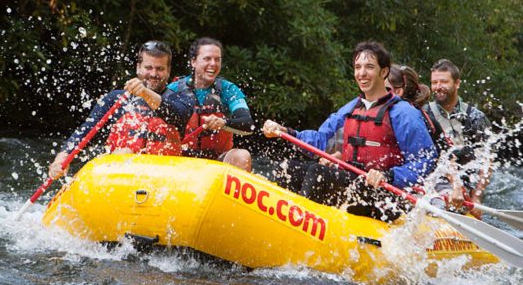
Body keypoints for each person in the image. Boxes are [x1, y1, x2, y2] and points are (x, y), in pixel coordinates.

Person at [263, 41, 438, 222]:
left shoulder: (404, 113)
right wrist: (286, 132)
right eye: (357, 67)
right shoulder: (352, 107)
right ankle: (279, 223)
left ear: (383, 72)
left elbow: (425, 160)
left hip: (385, 193)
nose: (362, 73)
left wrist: (389, 175)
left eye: (369, 67)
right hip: (352, 179)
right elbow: (321, 140)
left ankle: (301, 226)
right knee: (289, 169)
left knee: (319, 173)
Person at [49, 40, 191, 179]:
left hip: (164, 178)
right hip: (121, 178)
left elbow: (177, 115)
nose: (153, 74)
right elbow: (86, 131)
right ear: (138, 68)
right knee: (125, 152)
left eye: (160, 69)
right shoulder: (115, 98)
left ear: (168, 70)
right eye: (148, 68)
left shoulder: (181, 99)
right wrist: (61, 158)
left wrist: (145, 93)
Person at [161, 37, 254, 172]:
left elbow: (248, 124)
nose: (213, 64)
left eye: (217, 59)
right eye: (207, 59)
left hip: (216, 164)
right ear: (193, 62)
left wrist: (223, 123)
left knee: (241, 155)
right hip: (180, 162)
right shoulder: (172, 90)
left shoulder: (228, 90)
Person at [423, 59, 492, 218]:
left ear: (457, 84)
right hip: (432, 180)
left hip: (464, 184)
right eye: (434, 82)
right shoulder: (424, 114)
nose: (438, 86)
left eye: (444, 82)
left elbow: (488, 160)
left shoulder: (475, 118)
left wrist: (477, 197)